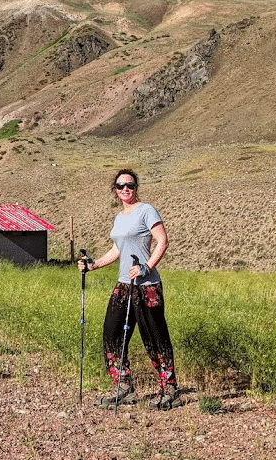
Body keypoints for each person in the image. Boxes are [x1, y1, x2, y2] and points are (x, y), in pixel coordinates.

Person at [78, 168, 179, 409]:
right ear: (115, 190)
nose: (126, 189)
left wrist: (146, 266)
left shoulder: (147, 210)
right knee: (111, 334)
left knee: (154, 338)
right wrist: (94, 265)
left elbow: (162, 241)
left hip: (147, 286)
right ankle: (123, 387)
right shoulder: (119, 218)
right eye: (121, 186)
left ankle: (170, 390)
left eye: (130, 185)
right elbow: (118, 250)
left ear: (136, 188)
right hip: (124, 285)